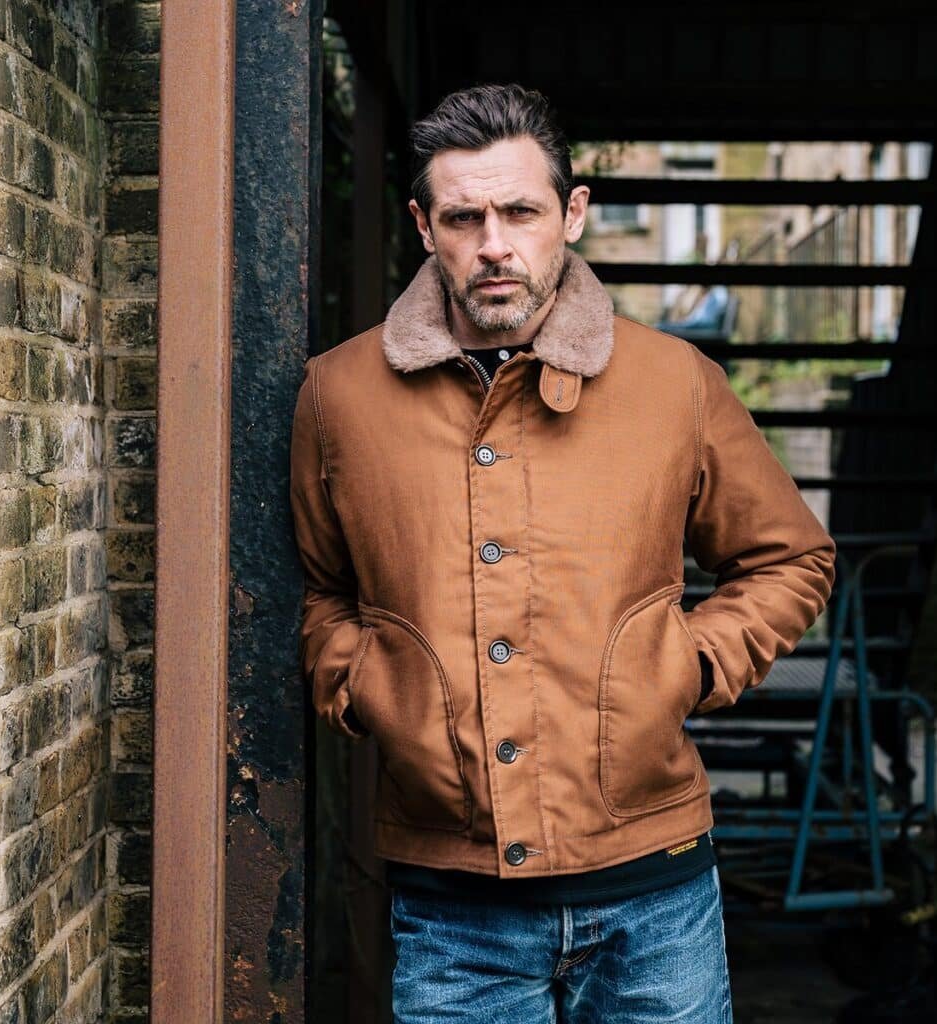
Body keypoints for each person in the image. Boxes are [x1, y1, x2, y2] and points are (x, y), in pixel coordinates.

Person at [289, 82, 836, 1023]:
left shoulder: (675, 383)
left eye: (521, 212)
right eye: (463, 218)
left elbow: (791, 559)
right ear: (423, 226)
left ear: (572, 213)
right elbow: (319, 586)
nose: (493, 244)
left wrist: (689, 664)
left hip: (656, 896)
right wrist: (365, 683)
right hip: (452, 909)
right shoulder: (338, 395)